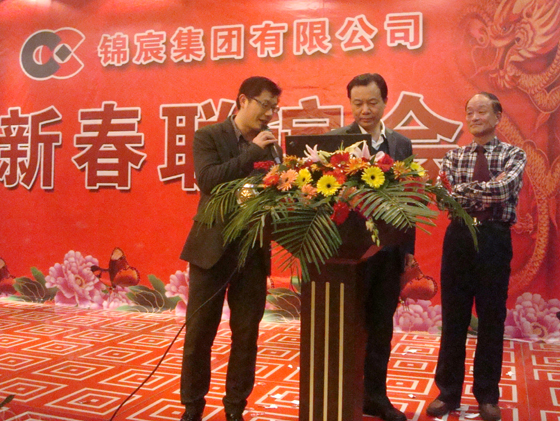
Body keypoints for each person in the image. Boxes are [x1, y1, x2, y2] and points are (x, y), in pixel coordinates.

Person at [178, 76, 282, 421]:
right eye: (264, 105)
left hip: (252, 252)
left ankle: (235, 407)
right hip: (210, 251)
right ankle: (192, 406)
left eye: (274, 108)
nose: (269, 114)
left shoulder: (273, 147)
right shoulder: (209, 136)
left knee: (246, 335)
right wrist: (253, 153)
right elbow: (208, 180)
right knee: (199, 334)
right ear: (242, 100)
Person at [426, 92, 527, 421]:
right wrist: (475, 194)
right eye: (470, 112)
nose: (474, 117)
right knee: (453, 317)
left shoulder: (514, 154)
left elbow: (504, 190)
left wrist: (465, 192)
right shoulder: (453, 156)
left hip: (494, 239)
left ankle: (487, 395)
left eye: (482, 111)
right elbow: (445, 197)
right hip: (458, 238)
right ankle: (447, 393)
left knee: (491, 318)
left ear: (498, 116)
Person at [331, 73, 414, 421]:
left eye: (372, 102)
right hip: (349, 257)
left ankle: (375, 397)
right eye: (358, 103)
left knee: (381, 329)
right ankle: (343, 395)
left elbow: (410, 199)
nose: (365, 110)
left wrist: (408, 252)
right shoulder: (336, 142)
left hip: (389, 254)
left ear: (385, 102)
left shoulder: (401, 144)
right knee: (349, 328)